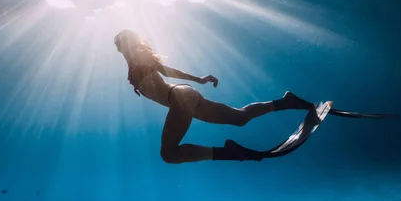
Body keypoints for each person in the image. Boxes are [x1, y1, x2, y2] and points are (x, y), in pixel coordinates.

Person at [114, 29, 316, 164]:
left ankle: (230, 153)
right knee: (240, 118)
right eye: (119, 45)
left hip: (179, 97)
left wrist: (199, 79)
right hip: (184, 97)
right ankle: (286, 102)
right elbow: (158, 75)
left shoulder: (138, 57)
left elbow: (167, 71)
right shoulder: (132, 63)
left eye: (123, 42)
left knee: (168, 154)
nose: (122, 47)